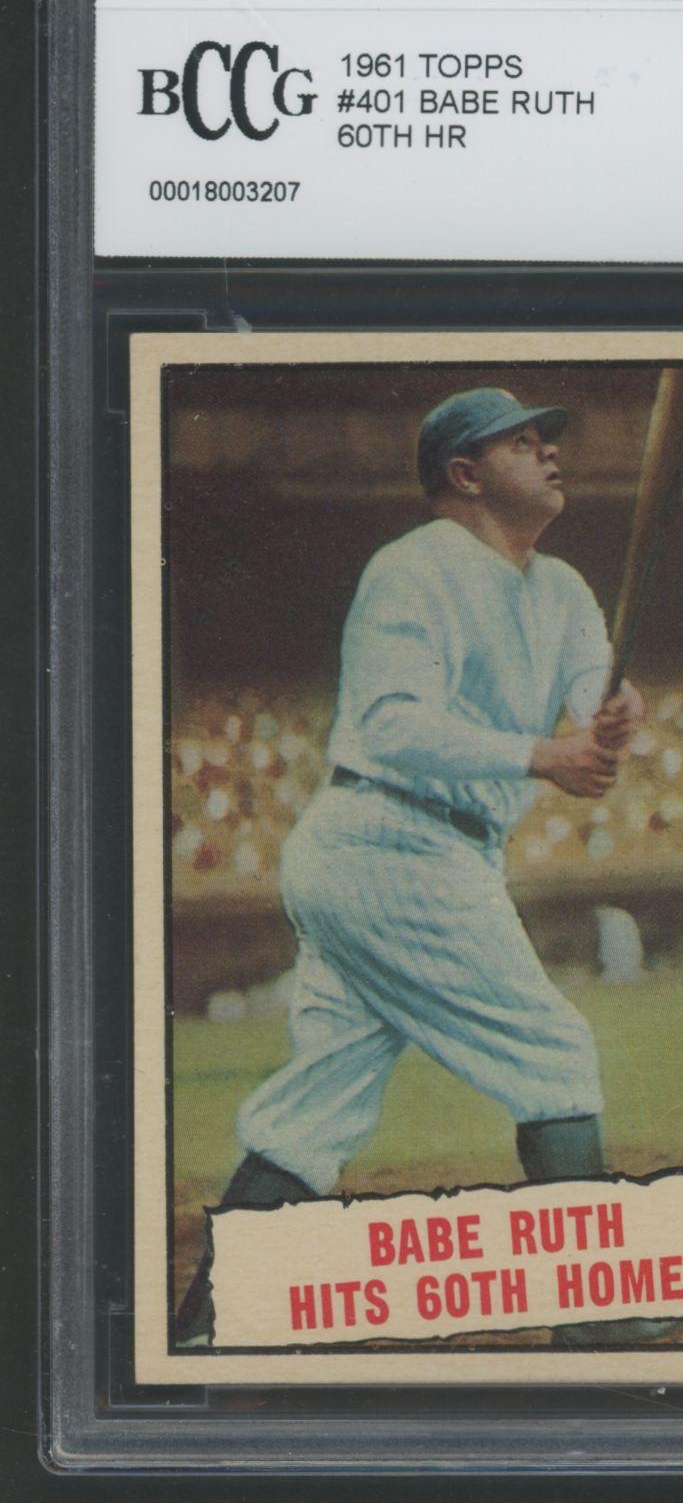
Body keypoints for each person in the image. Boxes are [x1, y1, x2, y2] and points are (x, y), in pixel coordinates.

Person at [177, 386, 650, 1346]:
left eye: (547, 438)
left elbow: (591, 691)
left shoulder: (561, 588)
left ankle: (204, 1331)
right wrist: (544, 755)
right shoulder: (415, 568)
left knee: (318, 1106)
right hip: (389, 833)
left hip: (419, 850)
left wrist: (613, 717)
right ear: (464, 473)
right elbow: (392, 723)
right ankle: (593, 1318)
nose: (549, 451)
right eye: (522, 442)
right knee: (554, 1051)